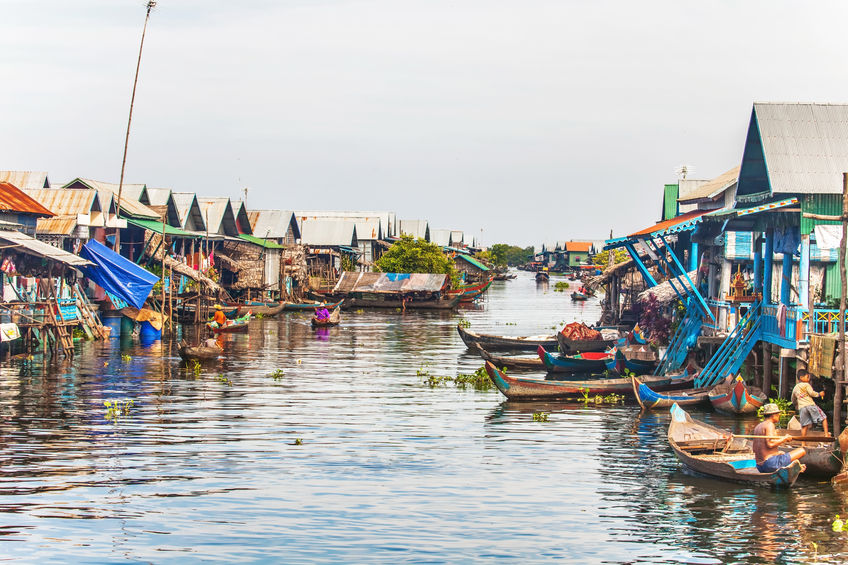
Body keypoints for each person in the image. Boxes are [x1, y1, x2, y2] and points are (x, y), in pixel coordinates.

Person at [752, 403, 806, 473]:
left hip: (760, 466)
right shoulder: (769, 424)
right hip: (770, 464)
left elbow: (754, 448)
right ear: (773, 415)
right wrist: (785, 439)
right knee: (802, 450)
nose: (779, 416)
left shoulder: (758, 427)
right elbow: (770, 444)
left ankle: (790, 466)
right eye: (777, 414)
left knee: (781, 453)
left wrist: (776, 453)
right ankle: (794, 467)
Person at [791, 369, 828, 437]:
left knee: (804, 425)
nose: (809, 379)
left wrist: (796, 404)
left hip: (802, 408)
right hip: (810, 405)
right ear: (801, 378)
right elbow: (812, 393)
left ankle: (803, 443)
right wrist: (819, 394)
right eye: (807, 377)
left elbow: (793, 399)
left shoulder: (795, 388)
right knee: (824, 418)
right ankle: (826, 434)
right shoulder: (806, 385)